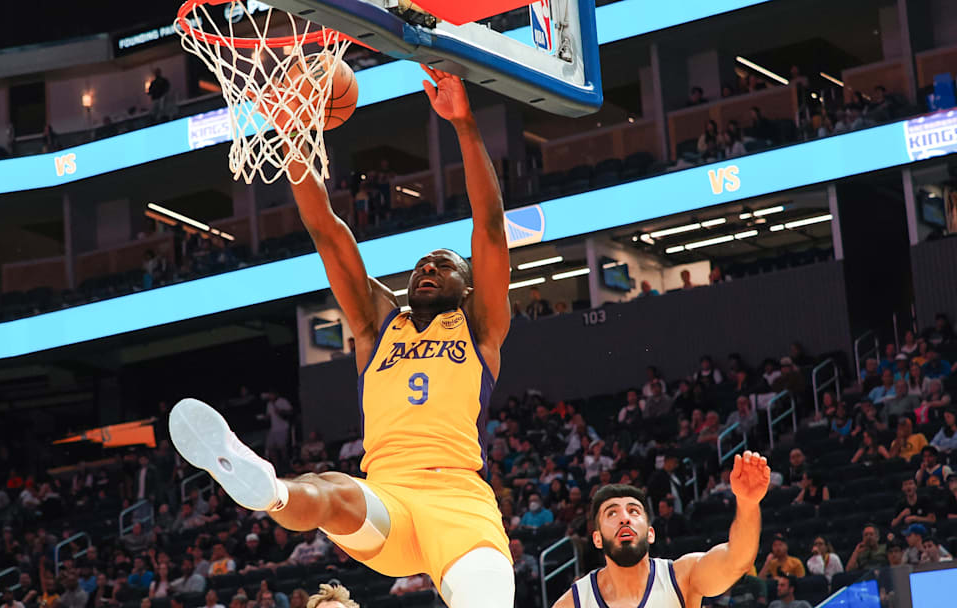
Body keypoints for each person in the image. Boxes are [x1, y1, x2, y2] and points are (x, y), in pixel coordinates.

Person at [169, 67, 515, 608]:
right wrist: (293, 137)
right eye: (422, 263)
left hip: (459, 500)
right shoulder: (378, 324)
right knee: (331, 489)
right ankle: (270, 489)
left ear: (468, 289)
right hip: (387, 497)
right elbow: (327, 230)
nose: (427, 267)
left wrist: (465, 124)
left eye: (443, 265)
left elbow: (490, 226)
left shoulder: (480, 326)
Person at [551, 451, 771, 608]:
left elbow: (736, 560)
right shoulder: (576, 601)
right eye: (612, 512)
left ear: (650, 533)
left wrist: (747, 504)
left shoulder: (682, 577)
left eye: (634, 511)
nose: (624, 518)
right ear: (597, 539)